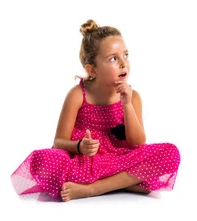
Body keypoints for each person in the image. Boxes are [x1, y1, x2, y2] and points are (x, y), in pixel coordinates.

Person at [10, 19, 181, 202]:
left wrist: (127, 104)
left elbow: (137, 143)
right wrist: (79, 146)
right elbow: (59, 141)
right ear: (92, 70)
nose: (124, 64)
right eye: (113, 59)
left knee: (170, 152)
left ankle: (94, 188)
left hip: (119, 159)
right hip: (85, 162)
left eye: (126, 55)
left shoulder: (134, 97)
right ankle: (125, 182)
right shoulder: (78, 95)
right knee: (43, 159)